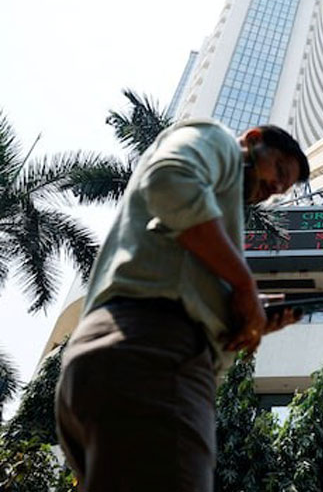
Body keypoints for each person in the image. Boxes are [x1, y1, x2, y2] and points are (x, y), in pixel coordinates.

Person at [55, 119, 309, 492]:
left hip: (117, 359)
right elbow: (170, 180)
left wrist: (247, 314)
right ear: (253, 140)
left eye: (282, 190)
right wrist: (242, 283)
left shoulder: (207, 231)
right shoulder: (218, 140)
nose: (273, 188)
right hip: (153, 358)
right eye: (279, 171)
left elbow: (177, 282)